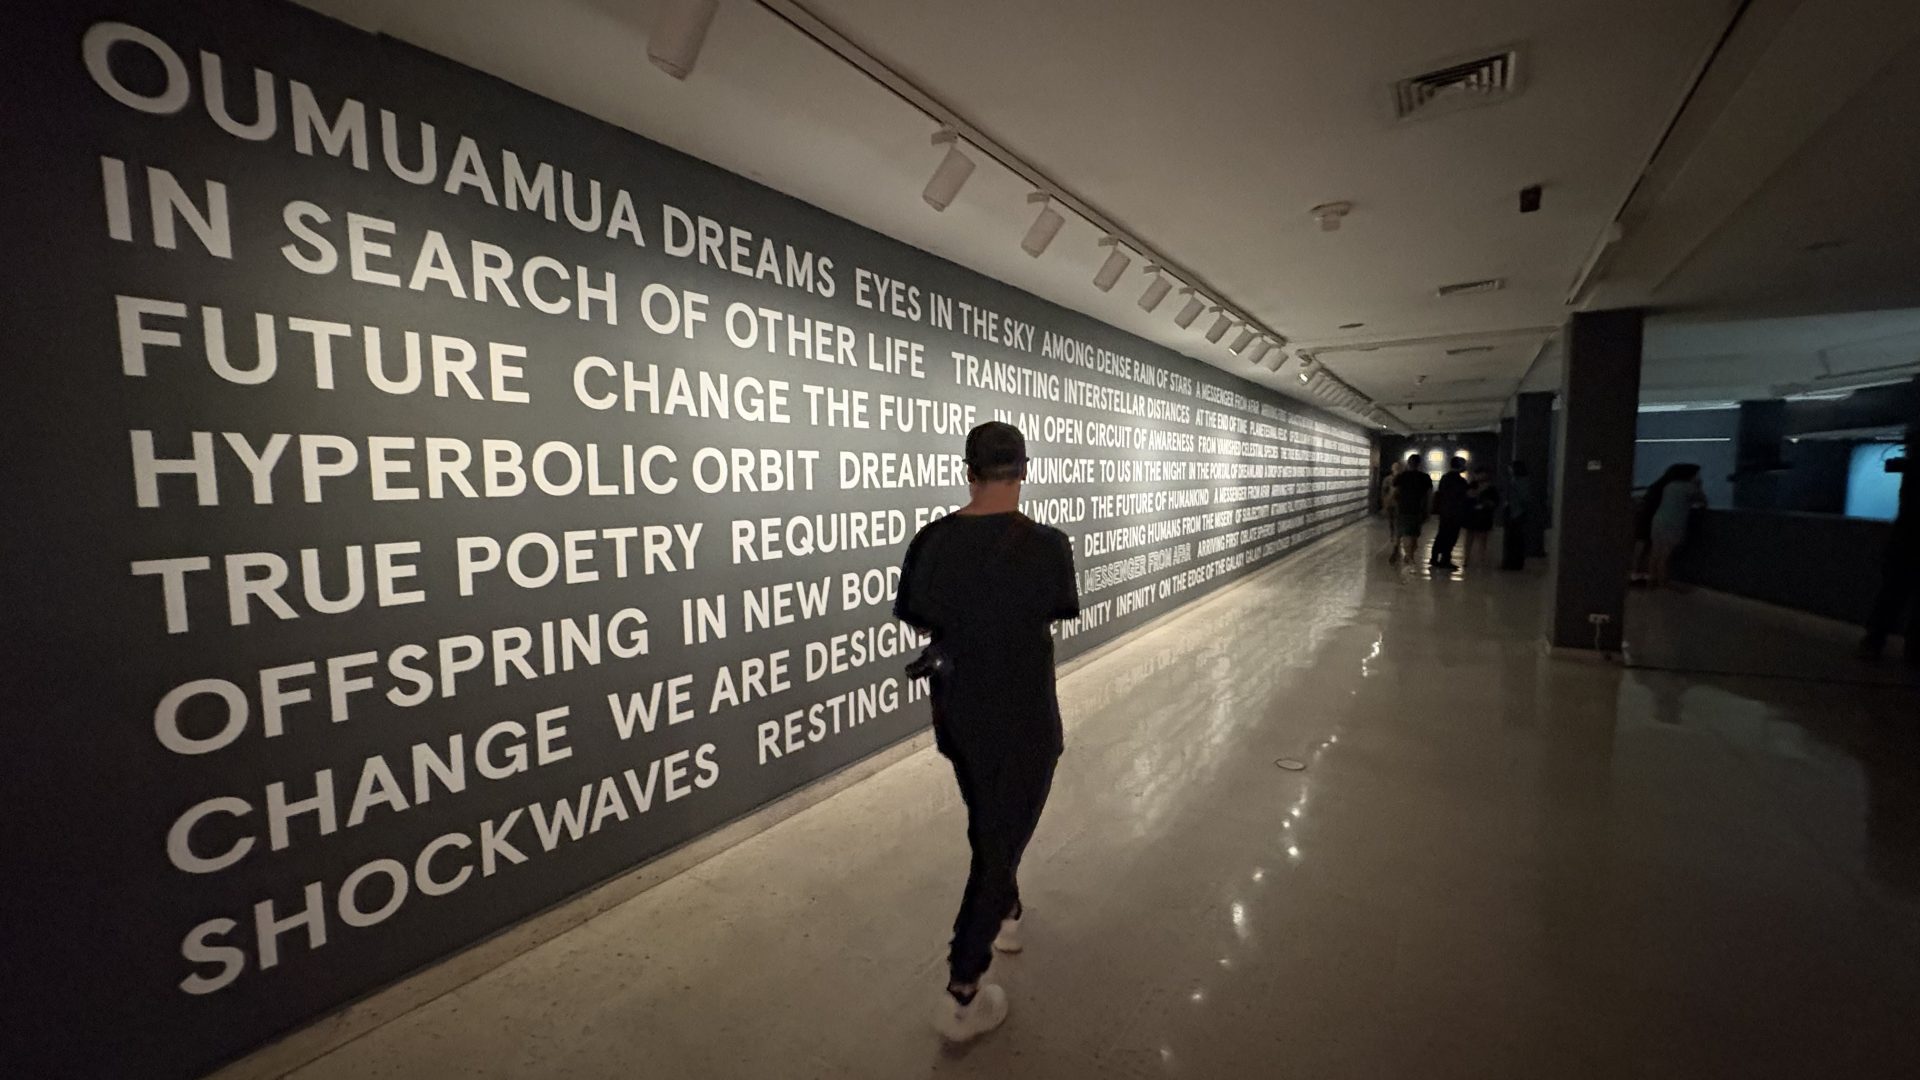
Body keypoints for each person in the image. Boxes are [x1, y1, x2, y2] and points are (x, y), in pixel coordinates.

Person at [893, 421, 1080, 1042]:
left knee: (990, 824)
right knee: (999, 840)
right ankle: (963, 990)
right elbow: (1055, 608)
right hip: (1027, 716)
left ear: (967, 472)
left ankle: (1009, 909)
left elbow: (920, 617)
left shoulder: (931, 542)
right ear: (1024, 471)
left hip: (960, 714)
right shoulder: (1048, 546)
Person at [1859, 441, 1916, 664]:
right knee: (1893, 596)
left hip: (1902, 545)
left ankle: (1874, 642)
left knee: (1891, 596)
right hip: (1903, 546)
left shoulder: (1910, 478)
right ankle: (1909, 652)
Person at [1646, 463, 1706, 588]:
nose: (1698, 476)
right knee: (1666, 555)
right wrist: (1699, 486)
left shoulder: (1670, 485)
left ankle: (1651, 579)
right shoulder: (1690, 488)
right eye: (1697, 474)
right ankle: (1663, 582)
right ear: (1691, 475)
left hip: (1658, 520)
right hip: (1673, 523)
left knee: (1655, 551)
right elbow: (1703, 501)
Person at [1429, 456, 1470, 572]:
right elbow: (1463, 496)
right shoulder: (1460, 481)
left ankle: (1435, 557)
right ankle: (1445, 559)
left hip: (1445, 511)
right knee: (1451, 536)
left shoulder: (1445, 478)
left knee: (1442, 534)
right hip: (1455, 513)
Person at [1391, 454, 1433, 565]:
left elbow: (1394, 493)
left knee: (1406, 534)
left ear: (1408, 463)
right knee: (1414, 535)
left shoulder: (1401, 476)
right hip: (1418, 509)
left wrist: (1394, 506)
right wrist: (1428, 511)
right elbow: (1429, 496)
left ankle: (1409, 556)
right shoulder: (1425, 477)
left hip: (1403, 509)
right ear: (1419, 464)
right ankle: (1410, 556)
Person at [1463, 465, 1501, 569]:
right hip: (1472, 515)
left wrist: (1486, 503)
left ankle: (1481, 559)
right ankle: (1467, 558)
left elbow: (1495, 502)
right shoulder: (1472, 486)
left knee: (1482, 539)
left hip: (1483, 515)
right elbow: (1466, 498)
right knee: (1470, 538)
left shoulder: (1491, 488)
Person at [1501, 460, 1534, 571]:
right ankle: (1513, 562)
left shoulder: (1519, 481)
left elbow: (1524, 497)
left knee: (1514, 539)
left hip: (1516, 512)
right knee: (1514, 539)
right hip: (1514, 511)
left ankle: (1512, 562)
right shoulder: (1518, 480)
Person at [1380, 459, 1405, 549]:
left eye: (1397, 467)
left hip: (1398, 502)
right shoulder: (1387, 479)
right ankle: (1392, 535)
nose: (1396, 469)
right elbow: (1384, 491)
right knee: (1391, 520)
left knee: (1398, 521)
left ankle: (1397, 537)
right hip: (1390, 502)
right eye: (1394, 467)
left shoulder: (1403, 478)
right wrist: (1384, 502)